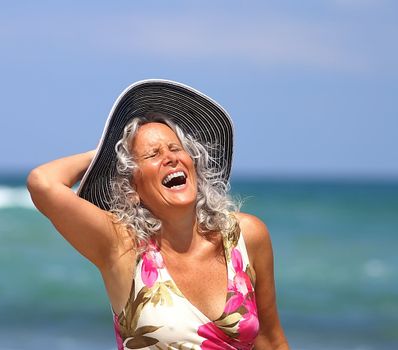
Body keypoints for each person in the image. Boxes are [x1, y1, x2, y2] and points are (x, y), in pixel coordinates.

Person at [27, 79, 289, 349]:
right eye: (152, 155)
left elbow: (270, 340)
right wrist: (107, 152)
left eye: (176, 149)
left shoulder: (245, 236)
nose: (170, 157)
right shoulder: (122, 247)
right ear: (132, 187)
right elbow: (43, 183)